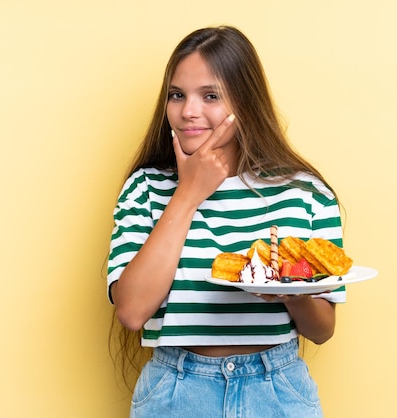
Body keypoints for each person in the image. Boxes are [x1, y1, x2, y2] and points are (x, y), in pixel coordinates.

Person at [107, 25, 346, 418]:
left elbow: (322, 330)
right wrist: (187, 194)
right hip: (176, 393)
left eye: (211, 96)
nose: (189, 111)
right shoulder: (146, 188)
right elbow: (132, 312)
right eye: (177, 95)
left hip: (277, 390)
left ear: (245, 103)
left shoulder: (305, 194)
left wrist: (290, 291)